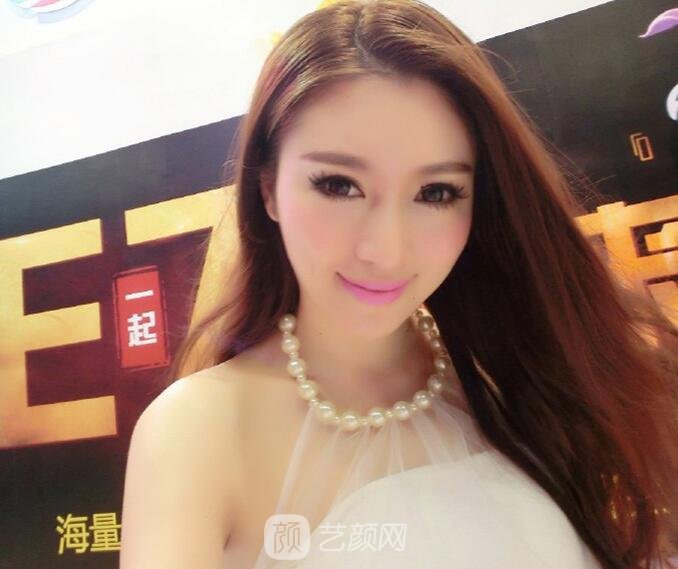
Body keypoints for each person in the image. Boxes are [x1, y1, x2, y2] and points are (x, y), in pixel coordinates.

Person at [119, 0, 678, 568]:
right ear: (268, 188)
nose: (385, 250)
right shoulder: (198, 433)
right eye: (338, 185)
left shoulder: (520, 384)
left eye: (436, 193)